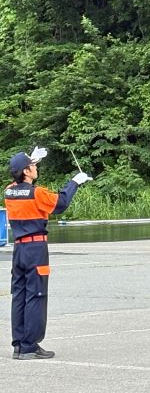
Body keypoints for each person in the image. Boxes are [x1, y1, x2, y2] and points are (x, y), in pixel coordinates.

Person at [6, 147, 92, 360]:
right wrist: (75, 182)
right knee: (36, 295)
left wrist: (31, 159)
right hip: (36, 249)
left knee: (20, 295)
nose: (35, 168)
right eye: (33, 166)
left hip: (19, 248)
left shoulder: (8, 191)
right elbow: (61, 203)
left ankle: (19, 344)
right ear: (26, 171)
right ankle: (29, 345)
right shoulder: (38, 193)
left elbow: (21, 183)